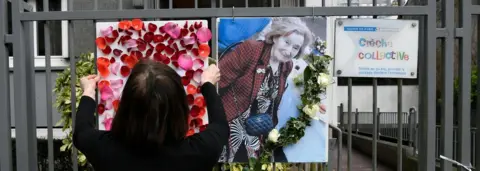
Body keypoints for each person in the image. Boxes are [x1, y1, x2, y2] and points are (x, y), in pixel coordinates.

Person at [73, 59, 228, 171]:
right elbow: (220, 126)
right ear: (179, 109)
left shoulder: (104, 149)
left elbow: (81, 130)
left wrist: (88, 90)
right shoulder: (199, 151)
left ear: (126, 107)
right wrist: (207, 83)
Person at [218, 17, 314, 162]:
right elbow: (218, 80)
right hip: (231, 124)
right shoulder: (252, 49)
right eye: (286, 42)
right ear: (275, 36)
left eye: (295, 47)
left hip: (257, 130)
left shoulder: (286, 66)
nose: (289, 51)